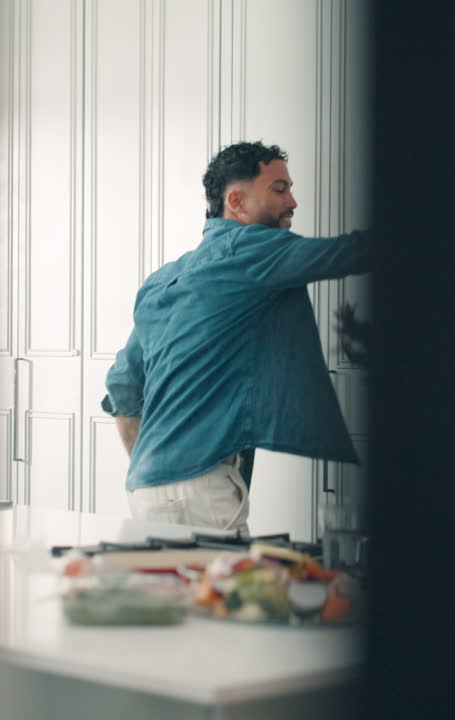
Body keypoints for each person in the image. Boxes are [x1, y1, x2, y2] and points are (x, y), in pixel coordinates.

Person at [100, 141, 369, 534]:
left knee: (172, 596)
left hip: (146, 487)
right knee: (227, 595)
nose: (292, 201)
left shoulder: (164, 280)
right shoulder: (250, 250)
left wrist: (158, 465)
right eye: (279, 189)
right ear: (237, 202)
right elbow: (349, 253)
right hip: (202, 489)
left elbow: (122, 382)